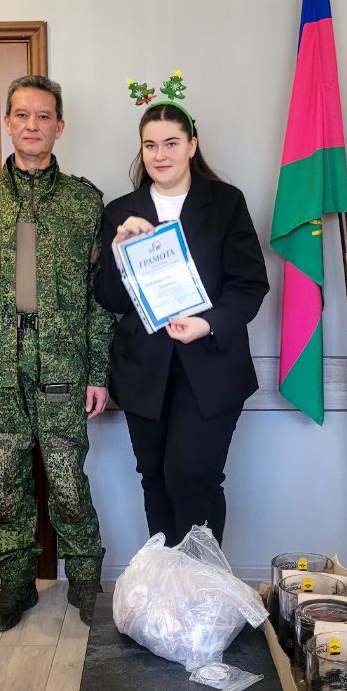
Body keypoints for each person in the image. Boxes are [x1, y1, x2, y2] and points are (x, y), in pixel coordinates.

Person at [0, 74, 114, 629]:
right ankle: (16, 586)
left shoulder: (85, 203)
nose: (32, 125)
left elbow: (99, 299)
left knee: (69, 486)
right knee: (3, 489)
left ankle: (86, 584)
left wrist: (98, 371)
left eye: (43, 116)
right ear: (7, 123)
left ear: (59, 127)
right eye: (22, 115)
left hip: (62, 372)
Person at [94, 73, 269, 547]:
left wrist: (206, 324)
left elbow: (250, 285)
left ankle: (202, 580)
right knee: (154, 477)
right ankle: (167, 583)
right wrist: (118, 251)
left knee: (192, 474)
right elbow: (110, 299)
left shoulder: (226, 203)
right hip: (143, 371)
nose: (160, 155)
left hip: (210, 366)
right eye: (150, 145)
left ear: (192, 145)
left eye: (171, 143)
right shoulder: (120, 211)